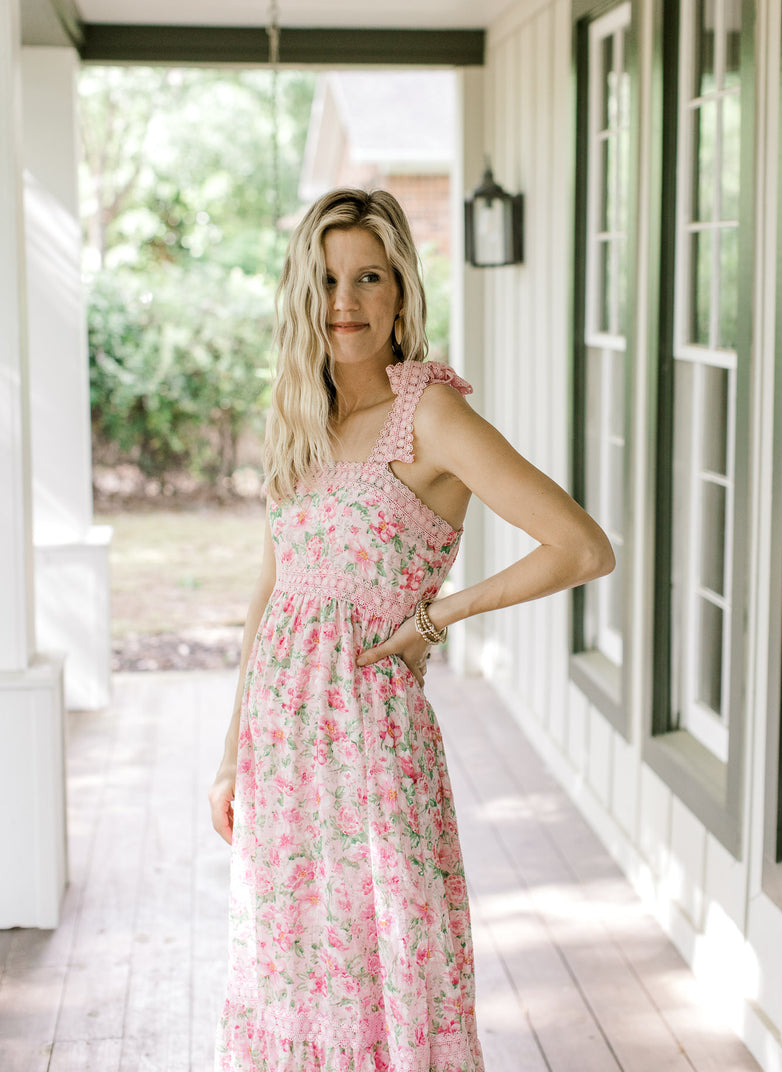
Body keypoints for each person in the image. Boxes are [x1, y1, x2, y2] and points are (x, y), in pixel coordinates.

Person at [209, 187, 614, 1072]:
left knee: (388, 972)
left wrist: (437, 615)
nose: (344, 304)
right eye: (325, 281)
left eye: (368, 278)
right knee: (295, 977)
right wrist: (235, 749)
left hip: (372, 747)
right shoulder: (302, 415)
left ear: (401, 294)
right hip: (284, 751)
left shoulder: (428, 415)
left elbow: (582, 547)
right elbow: (274, 590)